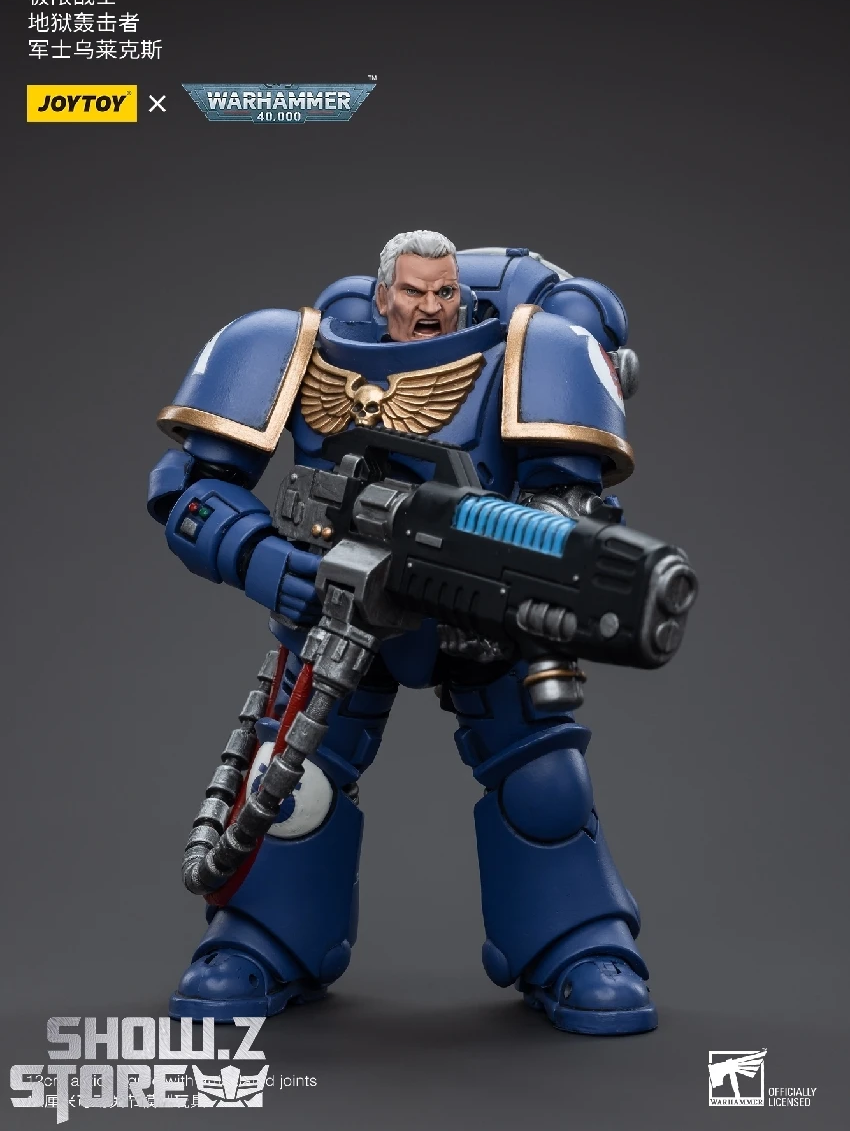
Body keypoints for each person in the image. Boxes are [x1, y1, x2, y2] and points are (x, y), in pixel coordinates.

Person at [148, 230, 655, 1034]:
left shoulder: (531, 352)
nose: (430, 307)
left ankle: (575, 941)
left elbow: (571, 505)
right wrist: (262, 558)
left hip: (479, 615)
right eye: (413, 292)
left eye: (445, 292)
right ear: (381, 295)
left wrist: (538, 569)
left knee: (544, 786)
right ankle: (263, 939)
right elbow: (191, 488)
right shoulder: (293, 346)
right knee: (294, 783)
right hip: (333, 604)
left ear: (464, 294)